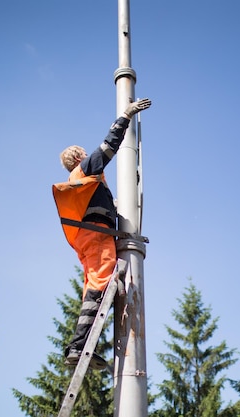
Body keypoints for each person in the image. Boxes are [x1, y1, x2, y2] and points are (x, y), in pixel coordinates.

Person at [53, 98, 152, 370]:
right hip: (97, 238)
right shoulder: (84, 170)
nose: (87, 156)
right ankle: (78, 346)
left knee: (93, 288)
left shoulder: (84, 183)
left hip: (89, 238)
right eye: (83, 153)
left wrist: (117, 206)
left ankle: (81, 345)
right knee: (99, 288)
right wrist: (126, 115)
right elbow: (109, 146)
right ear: (77, 158)